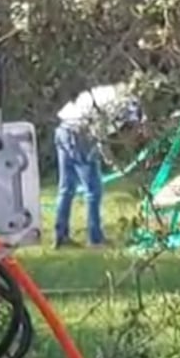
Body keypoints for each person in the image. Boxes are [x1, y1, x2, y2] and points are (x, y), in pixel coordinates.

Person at [53, 83, 145, 249]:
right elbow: (99, 134)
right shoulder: (120, 103)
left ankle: (61, 236)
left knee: (66, 189)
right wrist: (111, 160)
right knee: (93, 191)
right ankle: (95, 239)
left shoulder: (108, 94)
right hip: (79, 135)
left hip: (63, 130)